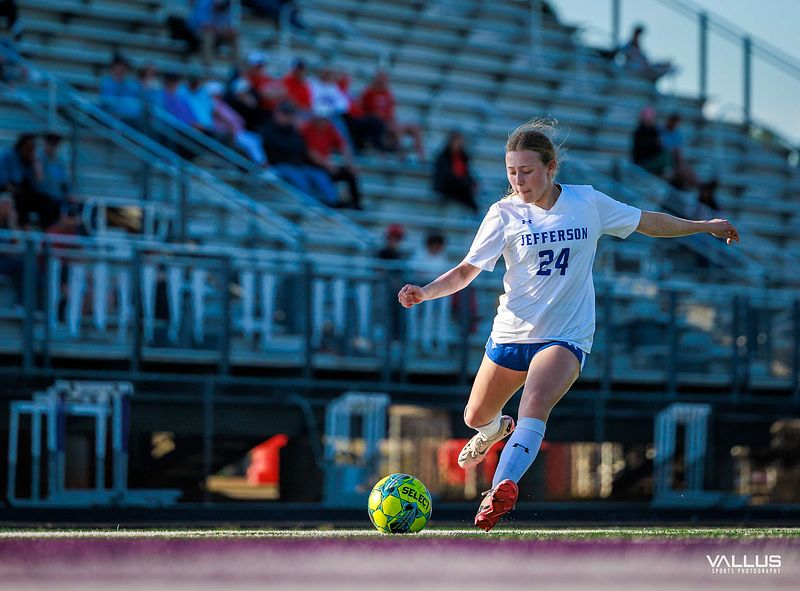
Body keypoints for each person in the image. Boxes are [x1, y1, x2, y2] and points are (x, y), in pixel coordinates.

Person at [397, 119, 740, 531]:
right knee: (475, 417)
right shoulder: (503, 213)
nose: (518, 180)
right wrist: (425, 291)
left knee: (534, 407)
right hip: (511, 333)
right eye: (511, 172)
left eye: (526, 171)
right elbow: (467, 270)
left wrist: (703, 227)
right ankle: (495, 430)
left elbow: (648, 221)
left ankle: (499, 489)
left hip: (565, 335)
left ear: (550, 167)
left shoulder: (587, 202)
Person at [260, 101, 337, 206]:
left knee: (319, 175)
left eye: (289, 114)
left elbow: (301, 148)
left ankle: (332, 203)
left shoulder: (293, 131)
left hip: (298, 165)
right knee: (299, 178)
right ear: (277, 113)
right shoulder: (268, 129)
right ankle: (310, 207)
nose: (288, 117)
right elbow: (279, 149)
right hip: (278, 165)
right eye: (285, 114)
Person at [301, 107, 362, 208]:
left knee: (350, 173)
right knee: (324, 177)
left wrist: (350, 163)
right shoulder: (307, 128)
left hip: (325, 165)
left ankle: (355, 203)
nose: (323, 122)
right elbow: (309, 152)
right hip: (312, 165)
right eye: (321, 119)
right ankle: (333, 201)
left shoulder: (329, 128)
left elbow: (343, 146)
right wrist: (327, 164)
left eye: (325, 119)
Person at [361, 71, 425, 160]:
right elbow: (368, 113)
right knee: (397, 128)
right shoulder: (368, 93)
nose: (384, 83)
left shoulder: (387, 93)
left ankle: (421, 156)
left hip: (390, 121)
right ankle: (401, 154)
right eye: (382, 80)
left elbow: (391, 111)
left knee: (415, 127)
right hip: (379, 124)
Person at [433, 131, 479, 213]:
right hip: (447, 185)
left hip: (460, 185)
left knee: (468, 190)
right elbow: (446, 175)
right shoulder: (443, 156)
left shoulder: (463, 156)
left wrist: (472, 182)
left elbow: (466, 173)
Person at [187, 0, 239, 68]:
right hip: (195, 30)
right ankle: (208, 65)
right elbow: (204, 24)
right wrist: (219, 29)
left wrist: (228, 30)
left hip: (216, 32)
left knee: (234, 35)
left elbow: (228, 25)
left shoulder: (225, 7)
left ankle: (236, 66)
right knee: (209, 35)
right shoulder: (205, 3)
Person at [99, 55, 142, 122]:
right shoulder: (106, 83)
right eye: (119, 65)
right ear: (114, 67)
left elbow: (135, 107)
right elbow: (107, 102)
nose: (122, 68)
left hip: (129, 120)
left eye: (124, 66)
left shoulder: (132, 85)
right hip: (114, 118)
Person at [661, 113, 696, 191]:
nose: (674, 124)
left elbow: (678, 149)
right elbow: (663, 147)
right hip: (664, 157)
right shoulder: (661, 131)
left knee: (686, 167)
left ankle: (691, 184)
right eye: (673, 122)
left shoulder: (678, 134)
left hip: (674, 159)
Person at [631, 106, 666, 176]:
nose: (651, 120)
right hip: (642, 162)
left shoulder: (655, 131)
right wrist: (655, 143)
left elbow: (659, 148)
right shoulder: (639, 132)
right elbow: (642, 150)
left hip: (651, 160)